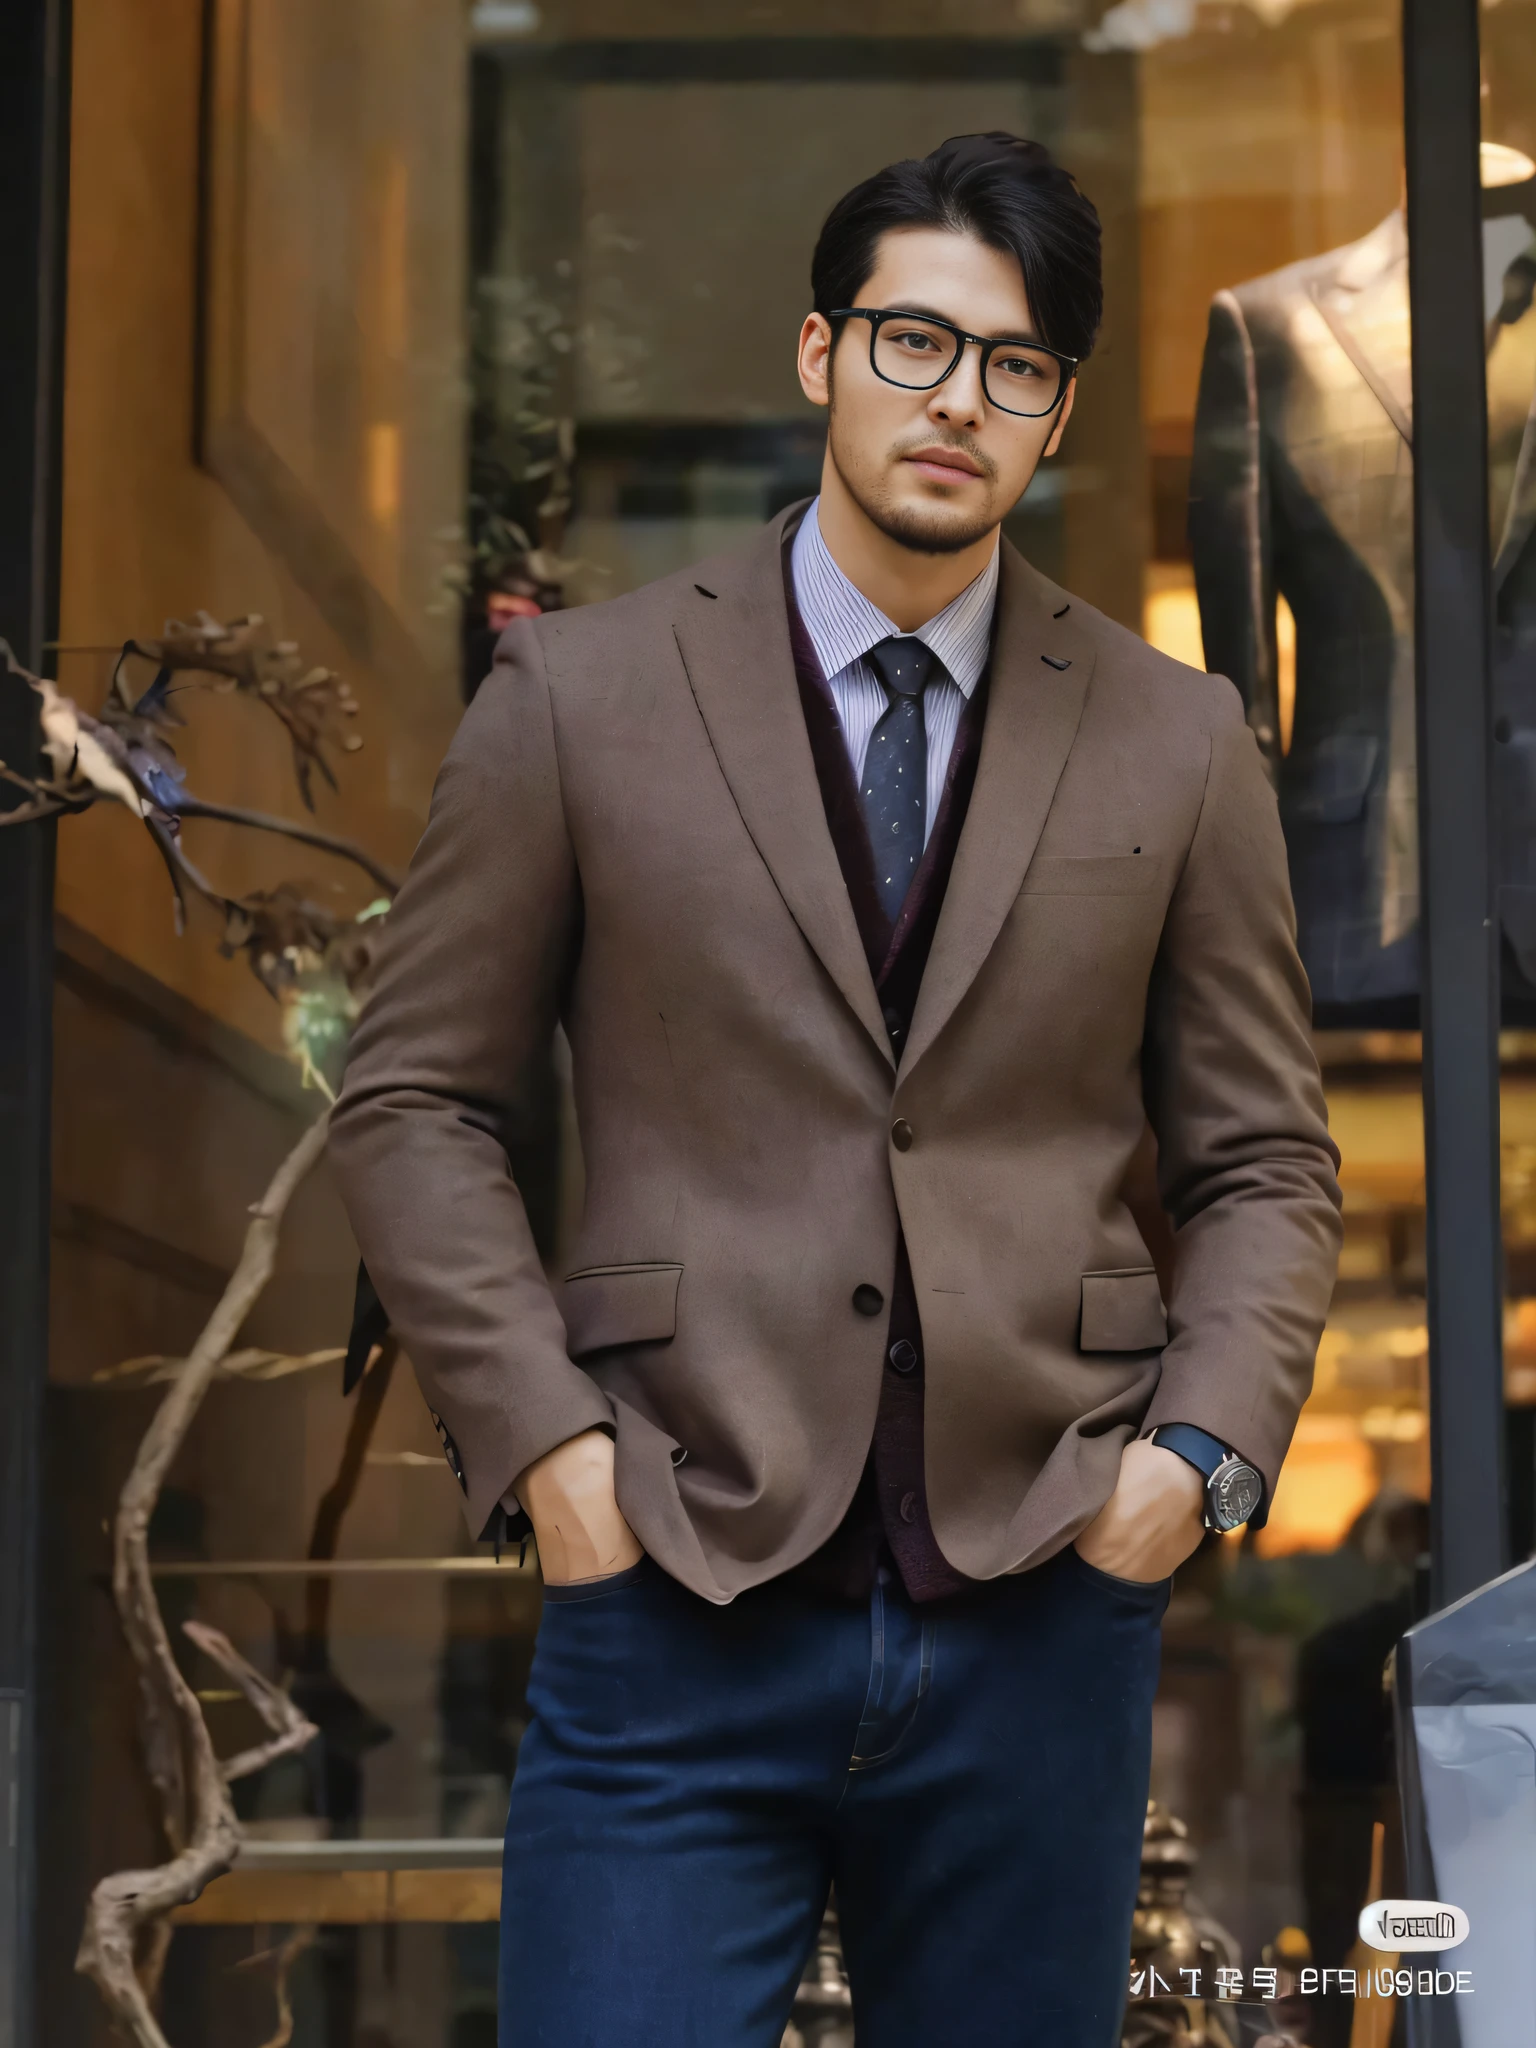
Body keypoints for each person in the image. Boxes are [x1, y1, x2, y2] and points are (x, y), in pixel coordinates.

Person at [329, 132, 1342, 2048]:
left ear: (1056, 413)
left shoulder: (1177, 738)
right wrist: (549, 1456)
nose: (958, 400)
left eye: (1017, 366)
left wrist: (1189, 1467)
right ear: (819, 355)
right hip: (670, 1590)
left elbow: (1268, 1158)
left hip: (1042, 1592)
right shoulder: (579, 703)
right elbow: (413, 1103)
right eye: (912, 343)